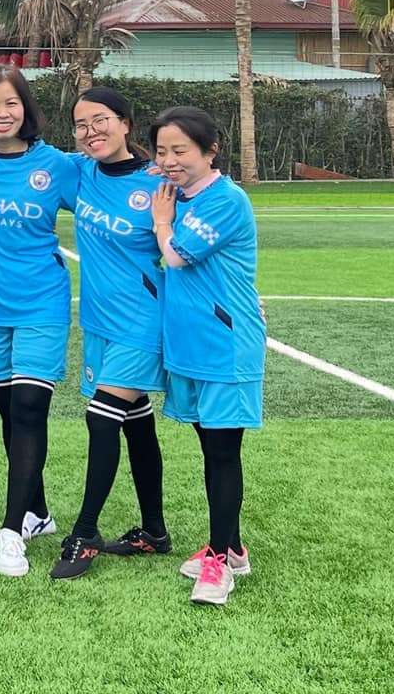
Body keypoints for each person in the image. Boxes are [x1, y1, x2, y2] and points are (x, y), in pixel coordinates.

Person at [0, 64, 78, 578]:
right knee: (10, 413)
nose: (1, 114)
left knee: (29, 408)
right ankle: (38, 512)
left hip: (42, 303)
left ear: (26, 108)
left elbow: (113, 181)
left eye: (11, 103)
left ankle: (12, 531)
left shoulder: (57, 166)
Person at [47, 87, 170, 581]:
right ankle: (154, 532)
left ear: (125, 123)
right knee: (136, 421)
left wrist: (244, 297)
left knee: (101, 419)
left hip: (144, 321)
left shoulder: (159, 182)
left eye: (100, 120)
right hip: (100, 322)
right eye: (81, 124)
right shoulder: (81, 172)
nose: (90, 131)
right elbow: (15, 148)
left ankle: (85, 533)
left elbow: (201, 242)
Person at [147, 106, 264, 607]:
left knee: (222, 453)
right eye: (162, 151)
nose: (169, 161)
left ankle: (220, 559)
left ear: (211, 151)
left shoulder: (225, 200)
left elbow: (176, 255)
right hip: (190, 345)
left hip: (225, 345)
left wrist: (162, 223)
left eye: (181, 151)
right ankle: (231, 547)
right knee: (208, 448)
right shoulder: (178, 190)